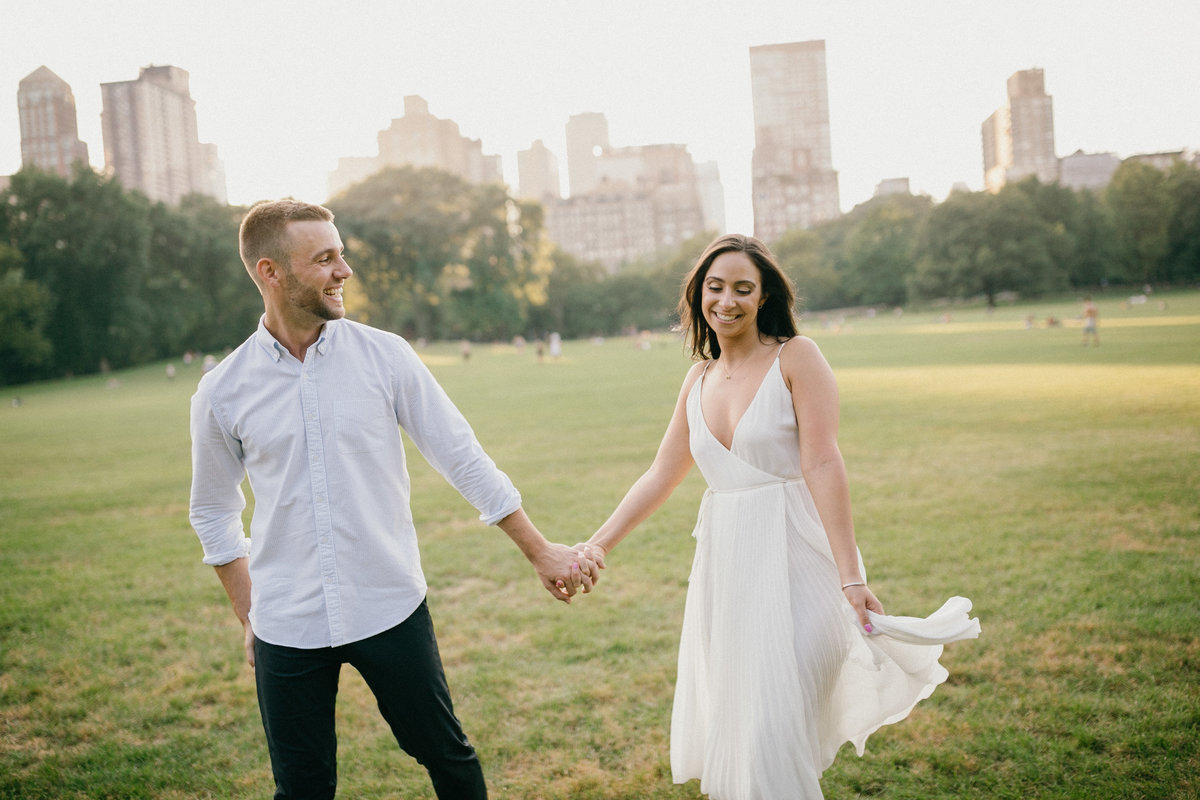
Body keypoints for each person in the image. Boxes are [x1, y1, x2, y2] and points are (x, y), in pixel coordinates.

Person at [188, 199, 599, 800]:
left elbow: (462, 456)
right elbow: (213, 510)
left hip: (388, 605)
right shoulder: (221, 391)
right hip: (288, 624)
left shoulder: (385, 356)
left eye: (342, 255)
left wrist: (540, 551)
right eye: (325, 258)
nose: (343, 271)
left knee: (448, 759)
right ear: (270, 272)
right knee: (301, 788)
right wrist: (250, 613)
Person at [577, 234, 979, 799]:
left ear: (763, 298)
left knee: (774, 720)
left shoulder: (797, 357)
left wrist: (852, 576)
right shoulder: (697, 379)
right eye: (715, 287)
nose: (727, 300)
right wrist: (595, 546)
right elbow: (661, 474)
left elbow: (822, 461)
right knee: (744, 720)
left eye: (744, 289)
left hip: (801, 562)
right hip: (729, 567)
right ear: (698, 296)